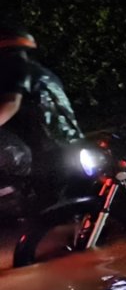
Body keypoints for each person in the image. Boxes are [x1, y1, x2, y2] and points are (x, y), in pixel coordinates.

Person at [0, 22, 83, 179]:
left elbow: (11, 103)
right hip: (69, 149)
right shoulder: (46, 74)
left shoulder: (13, 66)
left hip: (38, 153)